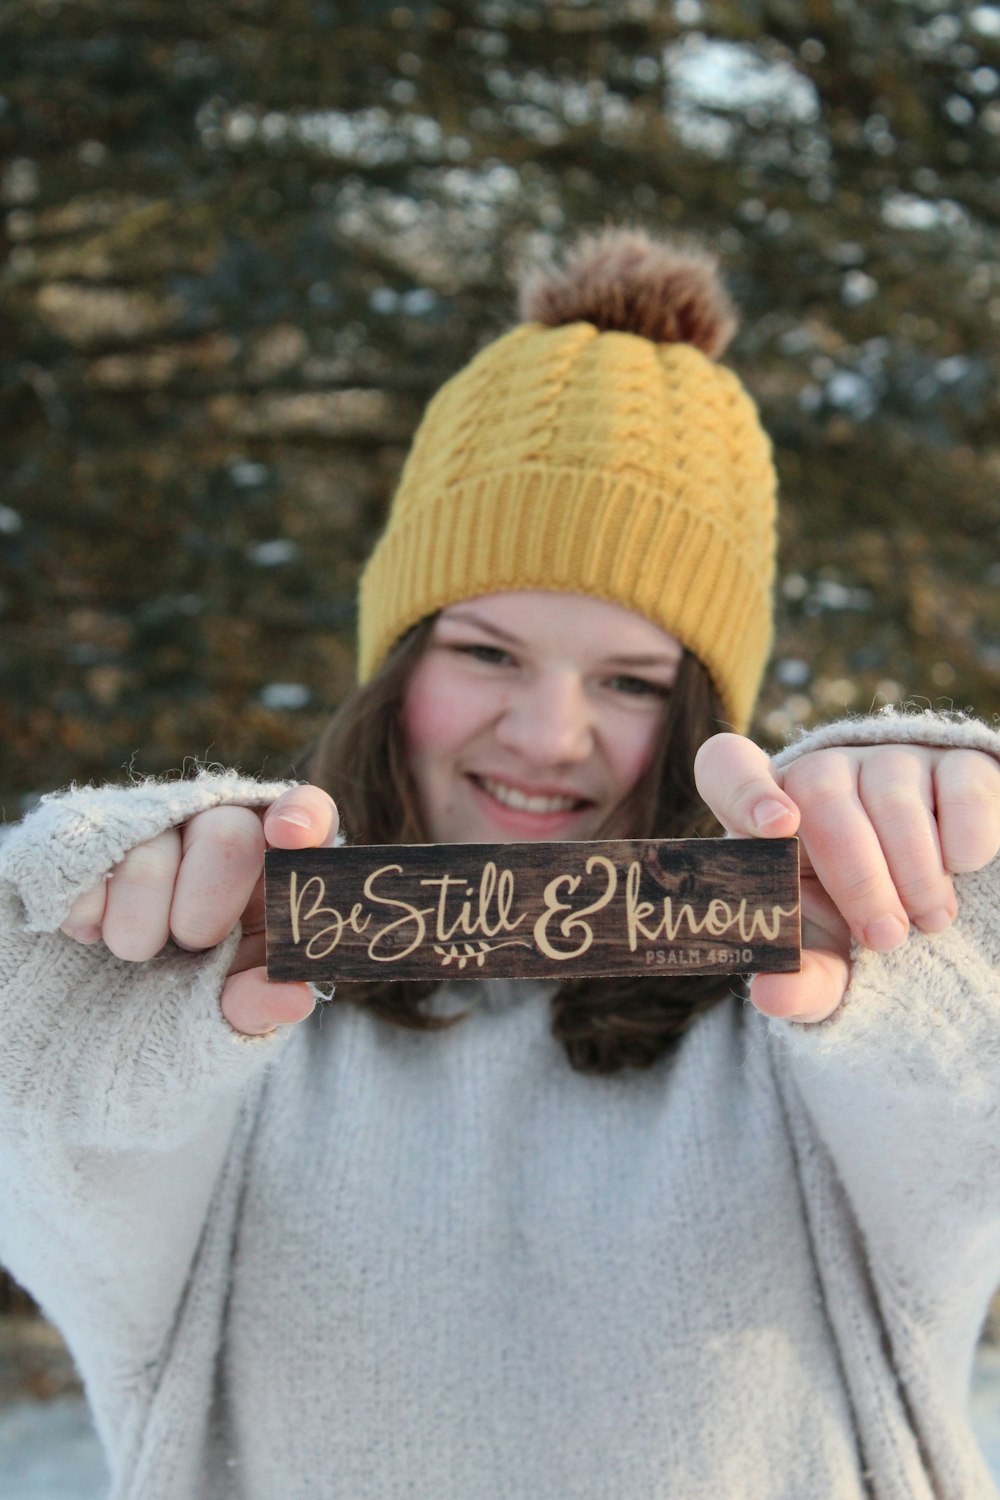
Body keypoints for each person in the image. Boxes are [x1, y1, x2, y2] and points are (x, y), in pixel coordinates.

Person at [1, 227, 999, 1500]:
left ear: (704, 716)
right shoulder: (224, 1032)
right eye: (485, 652)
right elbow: (46, 1149)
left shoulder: (825, 1026)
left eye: (632, 681)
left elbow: (973, 1105)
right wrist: (74, 972)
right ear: (395, 663)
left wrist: (935, 899)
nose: (545, 735)